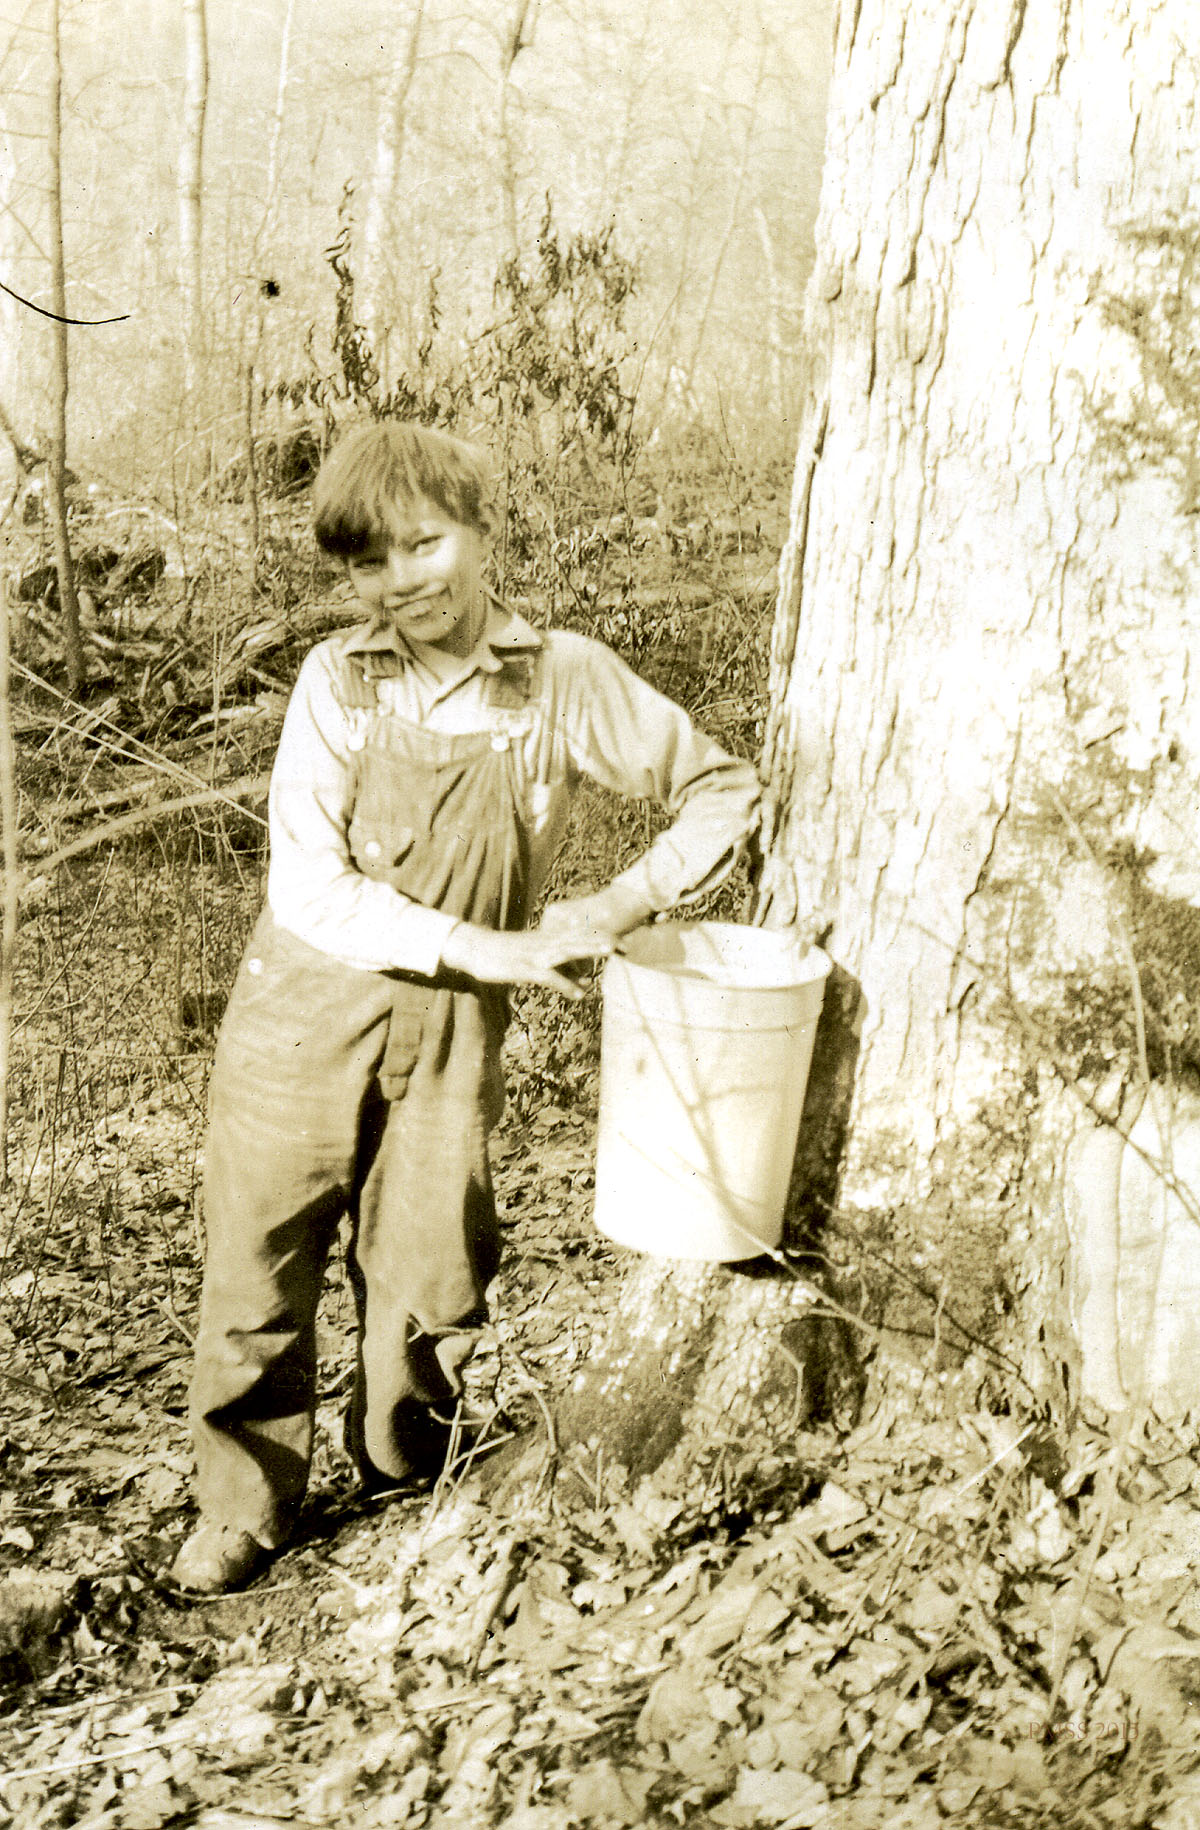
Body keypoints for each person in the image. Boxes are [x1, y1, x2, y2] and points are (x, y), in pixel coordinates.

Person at [170, 419, 760, 1592]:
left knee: (433, 1269)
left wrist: (619, 902)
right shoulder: (338, 682)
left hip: (451, 1032)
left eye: (426, 544)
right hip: (301, 1009)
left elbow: (721, 789)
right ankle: (242, 1504)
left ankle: (405, 1473)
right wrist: (486, 948)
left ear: (481, 531)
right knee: (258, 1265)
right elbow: (309, 888)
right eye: (370, 563)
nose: (403, 583)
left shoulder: (561, 680)